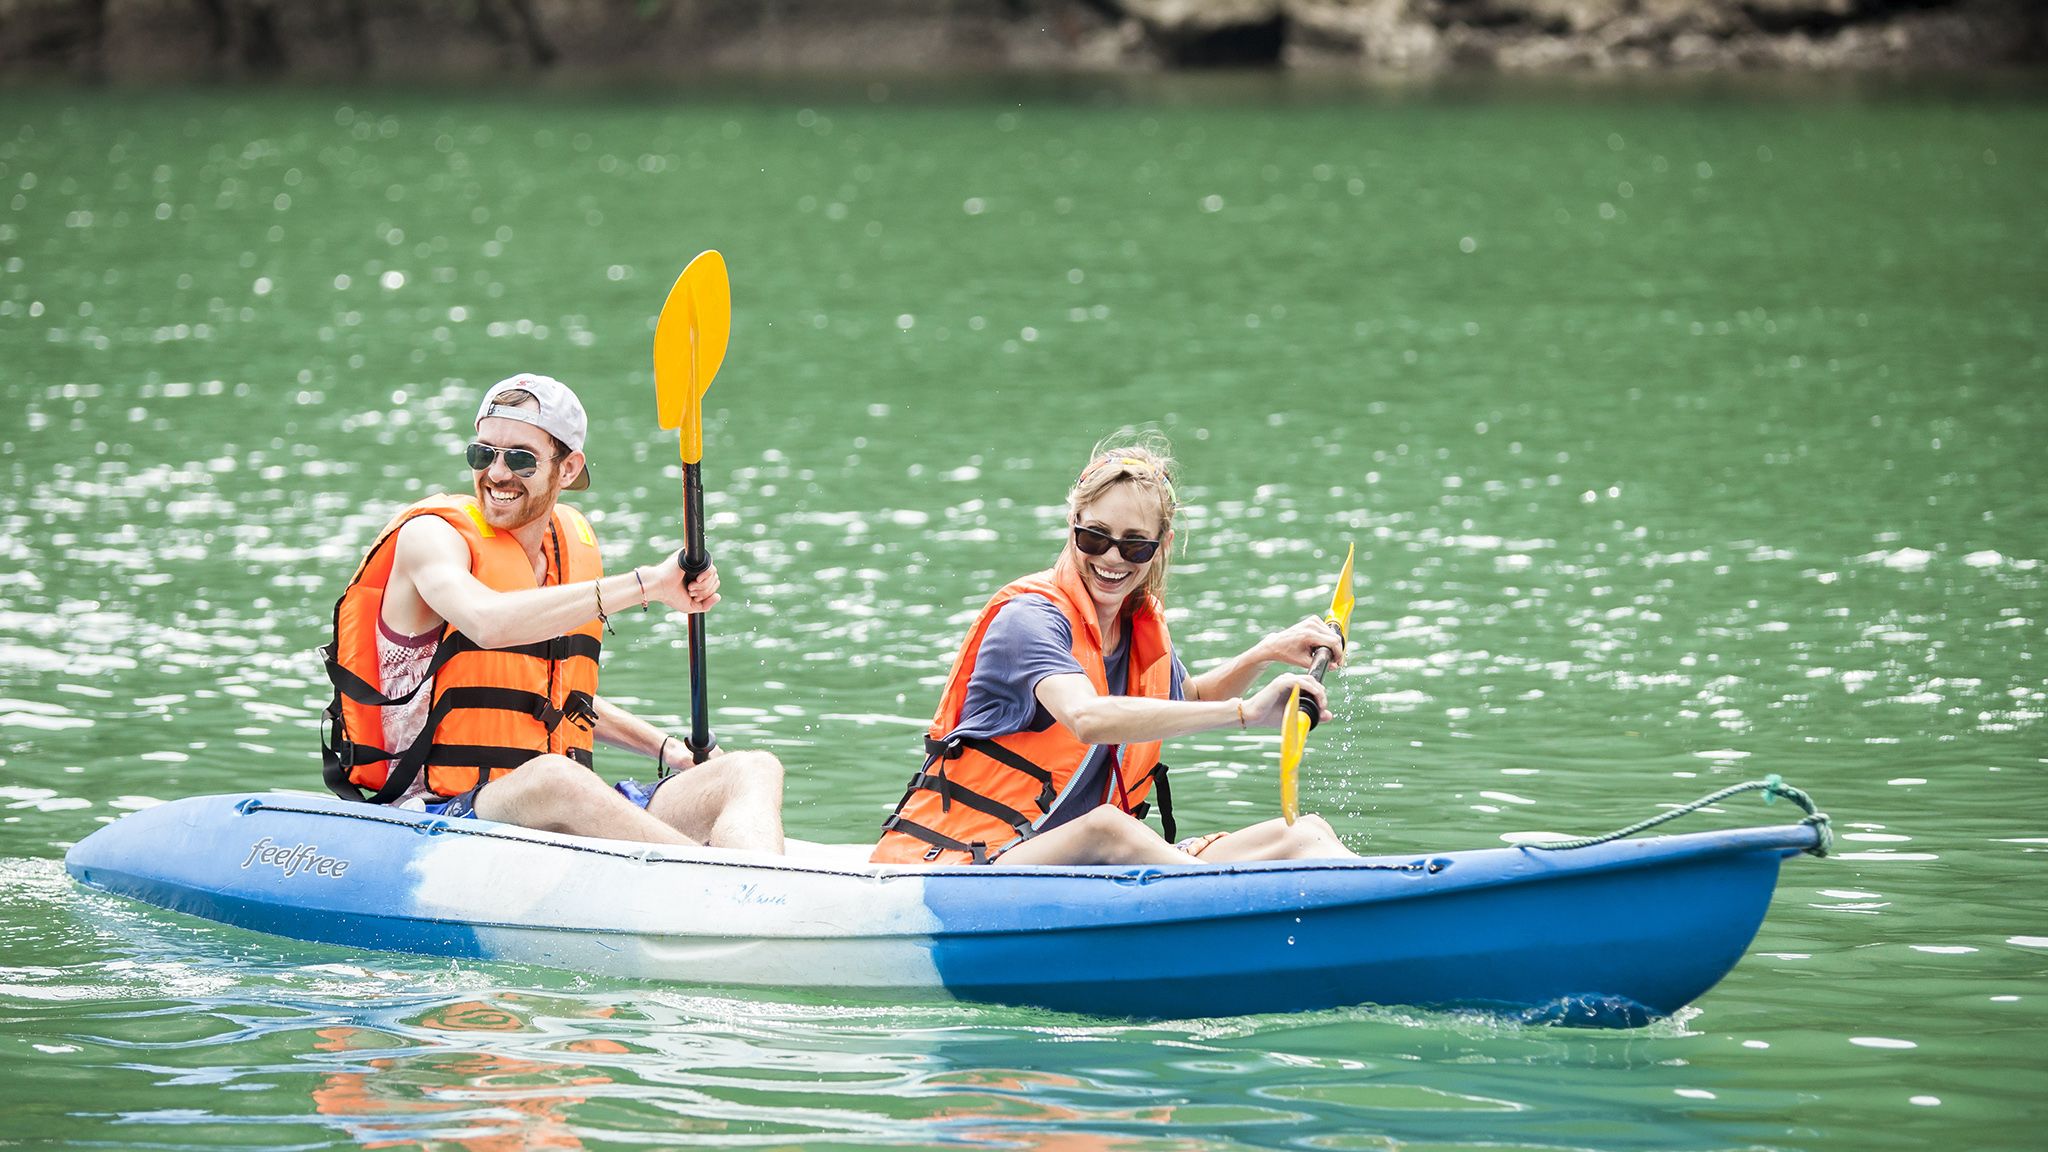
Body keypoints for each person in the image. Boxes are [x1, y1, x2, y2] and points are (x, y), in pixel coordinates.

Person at [320, 372, 784, 852]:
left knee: (753, 768)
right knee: (556, 779)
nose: (496, 473)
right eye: (483, 454)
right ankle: (721, 883)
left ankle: (767, 892)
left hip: (556, 804)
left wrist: (667, 749)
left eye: (520, 459)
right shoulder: (433, 539)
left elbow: (548, 694)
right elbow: (487, 623)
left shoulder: (567, 551)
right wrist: (649, 584)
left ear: (567, 468)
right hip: (439, 814)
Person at [871, 430, 1357, 866]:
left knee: (1306, 833)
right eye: (1094, 537)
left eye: (1134, 546)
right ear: (1073, 522)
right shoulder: (1029, 620)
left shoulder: (1136, 626)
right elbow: (1088, 719)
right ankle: (1218, 899)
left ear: (1161, 544)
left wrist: (1266, 652)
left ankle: (1375, 907)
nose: (1111, 558)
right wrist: (1247, 714)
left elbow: (1186, 702)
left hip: (1079, 861)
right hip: (963, 861)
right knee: (1109, 826)